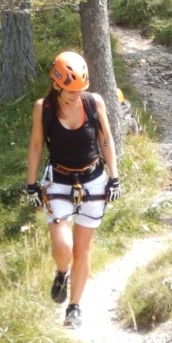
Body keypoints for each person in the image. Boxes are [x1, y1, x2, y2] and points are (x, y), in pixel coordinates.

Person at [25, 51, 121, 328]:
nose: (76, 96)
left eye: (80, 91)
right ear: (56, 84)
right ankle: (61, 271)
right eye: (70, 91)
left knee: (82, 249)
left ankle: (74, 307)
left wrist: (114, 177)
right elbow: (35, 146)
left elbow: (106, 140)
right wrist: (31, 184)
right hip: (58, 179)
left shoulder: (94, 103)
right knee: (63, 246)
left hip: (93, 179)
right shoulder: (42, 108)